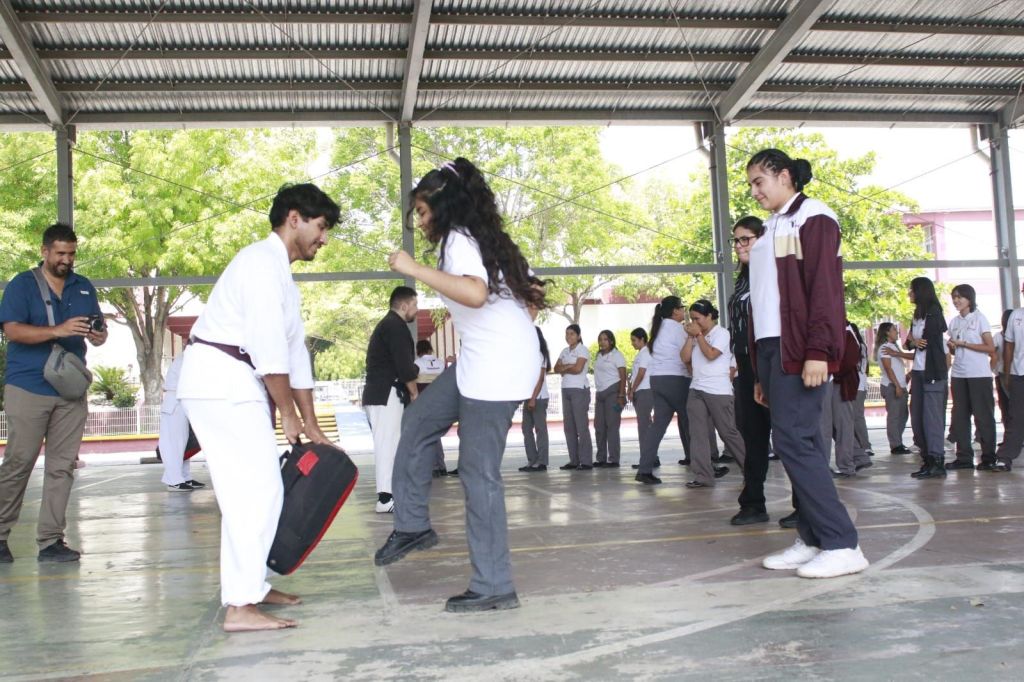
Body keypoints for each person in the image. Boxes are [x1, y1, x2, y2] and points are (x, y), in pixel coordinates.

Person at [374, 157, 545, 613]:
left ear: (443, 206)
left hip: (495, 367)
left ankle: (494, 585)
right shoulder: (485, 240)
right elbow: (531, 298)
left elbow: (474, 292)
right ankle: (412, 526)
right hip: (484, 357)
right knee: (418, 422)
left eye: (422, 211)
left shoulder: (459, 240)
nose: (419, 221)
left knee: (477, 473)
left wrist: (412, 268)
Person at [176, 183, 340, 632]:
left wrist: (311, 423)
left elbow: (295, 353)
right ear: (294, 218)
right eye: (321, 226)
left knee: (256, 491)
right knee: (255, 492)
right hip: (221, 382)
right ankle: (240, 606)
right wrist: (288, 414)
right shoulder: (260, 264)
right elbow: (269, 350)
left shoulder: (279, 273)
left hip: (232, 384)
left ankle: (252, 587)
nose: (324, 239)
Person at [745, 148, 868, 579]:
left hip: (798, 349)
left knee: (795, 442)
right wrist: (760, 371)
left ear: (783, 176)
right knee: (802, 443)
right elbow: (764, 300)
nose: (754, 192)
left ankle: (842, 543)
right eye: (751, 185)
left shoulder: (813, 217)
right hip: (772, 349)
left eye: (759, 182)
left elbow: (824, 290)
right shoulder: (773, 226)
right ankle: (813, 537)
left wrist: (819, 351)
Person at [0, 222, 107, 565]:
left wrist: (98, 335)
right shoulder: (22, 285)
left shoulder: (83, 286)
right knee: (19, 462)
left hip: (70, 389)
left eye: (71, 254)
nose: (67, 260)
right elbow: (13, 331)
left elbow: (98, 328)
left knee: (62, 467)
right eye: (60, 253)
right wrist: (57, 330)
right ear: (44, 251)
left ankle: (51, 541)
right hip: (28, 386)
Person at [728, 216, 785, 526]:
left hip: (772, 362)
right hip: (746, 367)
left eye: (745, 239)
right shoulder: (743, 280)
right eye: (735, 240)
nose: (739, 246)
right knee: (753, 437)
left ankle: (804, 504)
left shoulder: (774, 273)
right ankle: (753, 503)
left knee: (787, 437)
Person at [363, 286, 421, 511]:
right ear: (404, 305)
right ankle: (385, 499)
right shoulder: (395, 326)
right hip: (386, 394)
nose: (416, 309)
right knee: (387, 444)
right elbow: (404, 366)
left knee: (391, 443)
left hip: (382, 393)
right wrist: (414, 393)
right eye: (414, 305)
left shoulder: (388, 325)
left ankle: (391, 494)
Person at [681, 300, 746, 488]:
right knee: (698, 434)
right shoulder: (695, 335)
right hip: (696, 388)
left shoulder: (722, 334)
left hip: (718, 390)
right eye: (692, 319)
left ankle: (751, 470)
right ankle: (703, 475)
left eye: (697, 318)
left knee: (728, 432)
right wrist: (690, 337)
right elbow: (685, 358)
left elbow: (711, 354)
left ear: (710, 316)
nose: (694, 322)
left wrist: (698, 335)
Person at [634, 296, 691, 485]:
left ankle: (644, 470)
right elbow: (688, 354)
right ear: (675, 311)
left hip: (657, 380)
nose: (684, 311)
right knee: (693, 423)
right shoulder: (678, 329)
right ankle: (704, 466)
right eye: (682, 308)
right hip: (676, 379)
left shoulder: (659, 328)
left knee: (657, 427)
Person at [945, 284, 996, 470]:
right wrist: (952, 346)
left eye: (960, 297)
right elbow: (953, 349)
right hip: (959, 374)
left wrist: (965, 344)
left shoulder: (979, 318)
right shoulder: (954, 322)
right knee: (960, 417)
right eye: (954, 297)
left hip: (978, 374)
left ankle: (989, 457)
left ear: (970, 298)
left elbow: (990, 347)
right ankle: (964, 458)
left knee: (983, 416)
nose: (956, 300)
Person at [903, 276, 949, 480]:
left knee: (932, 419)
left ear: (920, 291)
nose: (909, 294)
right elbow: (908, 343)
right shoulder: (917, 315)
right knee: (918, 418)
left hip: (932, 372)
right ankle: (927, 460)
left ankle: (937, 461)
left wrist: (917, 341)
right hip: (918, 371)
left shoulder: (934, 312)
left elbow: (931, 339)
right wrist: (915, 342)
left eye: (912, 290)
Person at [824, 321, 872, 478]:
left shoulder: (845, 330)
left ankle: (847, 465)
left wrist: (835, 371)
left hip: (841, 383)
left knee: (839, 426)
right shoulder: (844, 330)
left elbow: (850, 359)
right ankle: (858, 457)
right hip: (840, 382)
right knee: (839, 426)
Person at [158, 354, 205, 492]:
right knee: (174, 444)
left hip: (182, 401)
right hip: (175, 402)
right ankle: (173, 481)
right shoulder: (186, 359)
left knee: (184, 444)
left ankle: (184, 477)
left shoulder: (191, 358)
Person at [992, 290, 1024, 473]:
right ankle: (1005, 457)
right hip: (1019, 373)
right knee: (1015, 416)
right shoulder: (1016, 316)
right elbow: (1009, 345)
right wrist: (1007, 372)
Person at [554, 324, 593, 471]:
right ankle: (574, 460)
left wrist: (565, 367)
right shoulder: (564, 351)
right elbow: (556, 368)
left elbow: (578, 369)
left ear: (578, 335)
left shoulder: (582, 350)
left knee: (581, 427)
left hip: (579, 390)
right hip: (566, 389)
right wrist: (568, 366)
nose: (568, 336)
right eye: (567, 334)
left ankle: (586, 461)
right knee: (569, 427)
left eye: (572, 334)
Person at [414, 339, 451, 478]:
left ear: (418, 351)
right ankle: (441, 466)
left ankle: (434, 467)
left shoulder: (417, 364)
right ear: (430, 349)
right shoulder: (440, 363)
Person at [875, 322, 911, 455]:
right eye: (894, 330)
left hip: (900, 385)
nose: (897, 332)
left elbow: (909, 357)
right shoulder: (884, 348)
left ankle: (898, 441)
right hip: (892, 386)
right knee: (894, 416)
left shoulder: (894, 347)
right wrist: (897, 385)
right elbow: (888, 369)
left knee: (903, 415)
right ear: (887, 333)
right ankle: (895, 445)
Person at [593, 330, 627, 468]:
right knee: (599, 426)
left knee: (612, 426)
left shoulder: (616, 355)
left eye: (605, 339)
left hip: (613, 392)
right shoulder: (599, 355)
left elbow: (623, 376)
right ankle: (601, 458)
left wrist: (621, 395)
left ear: (611, 341)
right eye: (600, 339)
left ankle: (613, 459)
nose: (602, 342)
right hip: (600, 393)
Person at [520, 325, 552, 473]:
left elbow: (540, 379)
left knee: (540, 430)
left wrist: (533, 398)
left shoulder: (540, 355)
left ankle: (542, 462)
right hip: (529, 397)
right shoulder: (528, 355)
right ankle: (532, 460)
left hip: (538, 398)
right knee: (526, 429)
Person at [849, 322, 874, 458]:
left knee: (856, 416)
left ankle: (864, 445)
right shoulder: (862, 345)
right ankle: (862, 445)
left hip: (857, 385)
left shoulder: (857, 346)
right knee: (856, 416)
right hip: (860, 385)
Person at [628, 328, 654, 456]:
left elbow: (641, 373)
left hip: (644, 390)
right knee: (644, 424)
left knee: (644, 426)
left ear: (642, 339)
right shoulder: (641, 353)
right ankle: (650, 456)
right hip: (641, 390)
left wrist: (632, 390)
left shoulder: (645, 353)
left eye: (634, 340)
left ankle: (647, 457)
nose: (632, 343)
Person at [993, 309, 1012, 445]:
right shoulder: (998, 337)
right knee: (1006, 406)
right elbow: (992, 352)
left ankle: (1011, 437)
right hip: (1004, 374)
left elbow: (992, 353)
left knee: (1006, 406)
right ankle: (1010, 437)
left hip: (1005, 374)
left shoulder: (998, 336)